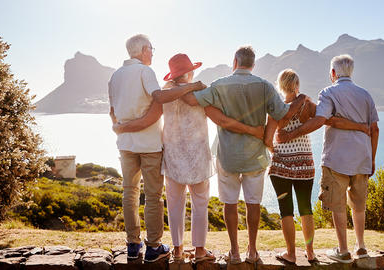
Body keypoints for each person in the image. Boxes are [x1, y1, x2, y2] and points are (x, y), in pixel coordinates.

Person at [112, 53, 264, 263]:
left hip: (173, 156)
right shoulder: (200, 92)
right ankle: (200, 251)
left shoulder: (164, 92)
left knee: (175, 205)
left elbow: (153, 117)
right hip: (197, 157)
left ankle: (177, 250)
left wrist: (122, 126)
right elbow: (217, 117)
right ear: (190, 71)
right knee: (200, 204)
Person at [181, 46, 308, 264]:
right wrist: (267, 138)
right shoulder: (266, 86)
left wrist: (190, 85)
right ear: (253, 64)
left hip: (227, 155)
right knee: (253, 204)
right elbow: (280, 114)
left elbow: (193, 101)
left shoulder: (219, 85)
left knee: (229, 204)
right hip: (256, 155)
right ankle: (252, 251)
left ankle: (235, 252)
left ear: (235, 62)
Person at [108, 34, 206, 262]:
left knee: (129, 192)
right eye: (151, 48)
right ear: (143, 50)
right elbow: (160, 97)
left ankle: (133, 244)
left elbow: (112, 112)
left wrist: (120, 128)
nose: (152, 52)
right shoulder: (145, 71)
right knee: (153, 195)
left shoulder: (115, 76)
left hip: (125, 145)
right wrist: (192, 86)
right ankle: (153, 247)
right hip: (149, 144)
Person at [276, 55, 380, 263]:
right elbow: (374, 129)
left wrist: (289, 135)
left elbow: (321, 120)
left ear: (333, 73)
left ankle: (343, 251)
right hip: (362, 158)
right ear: (351, 71)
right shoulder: (366, 95)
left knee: (338, 205)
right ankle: (360, 247)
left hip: (336, 159)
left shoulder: (328, 92)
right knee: (359, 205)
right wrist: (372, 159)